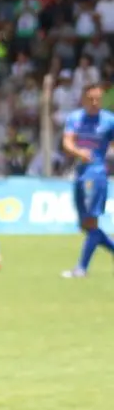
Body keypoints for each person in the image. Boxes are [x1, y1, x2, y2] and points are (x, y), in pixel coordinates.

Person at [60, 84, 114, 277]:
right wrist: (78, 152)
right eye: (91, 98)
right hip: (80, 173)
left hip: (97, 174)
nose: (94, 103)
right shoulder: (75, 118)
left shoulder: (109, 120)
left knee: (92, 221)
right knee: (85, 225)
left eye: (98, 99)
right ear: (83, 99)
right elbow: (67, 142)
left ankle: (81, 268)